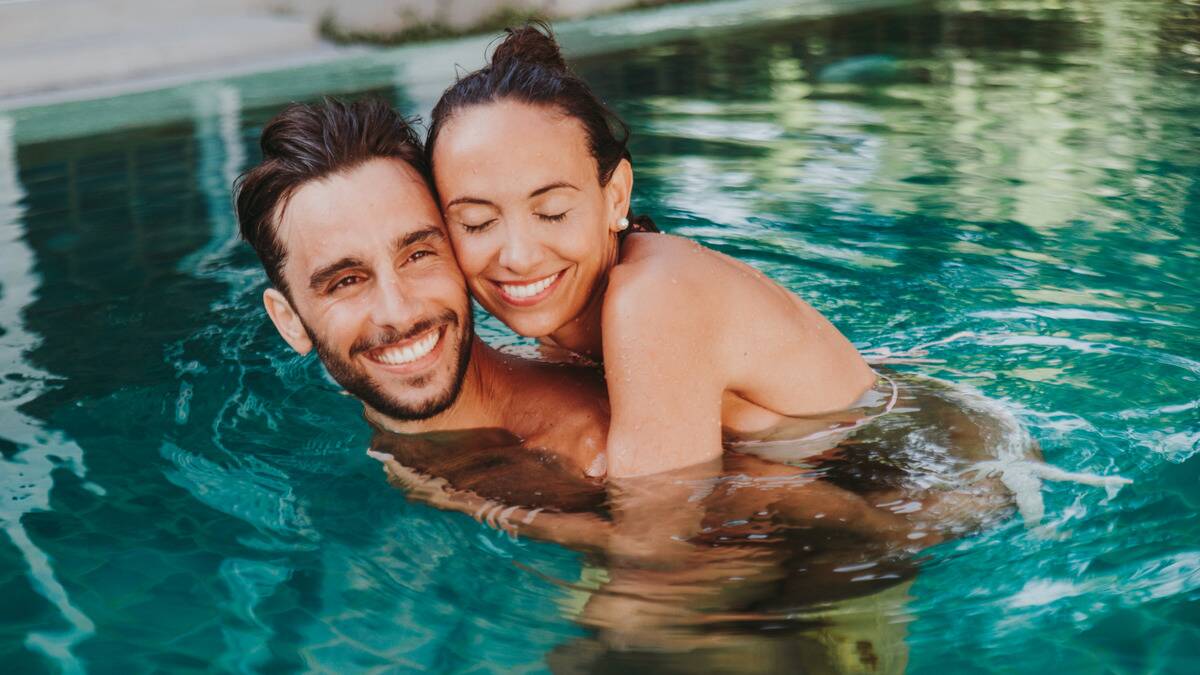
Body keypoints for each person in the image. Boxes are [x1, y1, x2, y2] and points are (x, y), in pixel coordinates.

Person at [424, 23, 879, 478]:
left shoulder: (652, 298)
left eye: (553, 212)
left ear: (616, 197)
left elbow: (653, 535)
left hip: (887, 473)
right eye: (477, 223)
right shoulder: (566, 324)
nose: (519, 257)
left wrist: (449, 486)